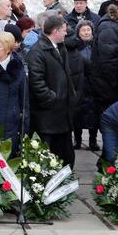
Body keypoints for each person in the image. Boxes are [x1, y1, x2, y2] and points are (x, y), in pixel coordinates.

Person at [27, 15, 76, 167]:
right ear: (55, 31)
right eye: (63, 30)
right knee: (48, 157)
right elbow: (37, 83)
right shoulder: (38, 52)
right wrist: (53, 99)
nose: (66, 33)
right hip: (48, 116)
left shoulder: (60, 48)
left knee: (66, 156)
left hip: (62, 114)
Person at [88, 0, 118, 150]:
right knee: (110, 126)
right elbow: (109, 62)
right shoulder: (109, 28)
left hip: (111, 85)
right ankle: (108, 162)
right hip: (107, 87)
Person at [72, 20, 96, 149]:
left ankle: (93, 140)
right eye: (83, 30)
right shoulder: (76, 47)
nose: (86, 33)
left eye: (88, 30)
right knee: (78, 114)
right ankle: (78, 139)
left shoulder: (96, 46)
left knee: (93, 113)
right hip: (80, 84)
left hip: (93, 84)